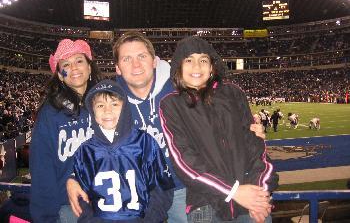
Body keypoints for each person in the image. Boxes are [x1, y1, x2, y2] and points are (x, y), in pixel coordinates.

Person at [67, 32, 266, 222]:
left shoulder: (181, 87)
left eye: (142, 56)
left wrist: (248, 131)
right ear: (117, 67)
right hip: (138, 193)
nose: (136, 64)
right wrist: (74, 176)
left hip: (187, 188)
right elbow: (93, 139)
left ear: (154, 61)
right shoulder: (111, 97)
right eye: (127, 59)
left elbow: (218, 115)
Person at [159, 36, 278, 222]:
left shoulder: (233, 93)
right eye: (189, 60)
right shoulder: (171, 105)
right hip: (207, 201)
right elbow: (185, 162)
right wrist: (233, 191)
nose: (197, 67)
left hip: (250, 198)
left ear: (212, 67)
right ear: (178, 67)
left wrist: (260, 195)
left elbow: (255, 146)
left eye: (203, 60)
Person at [73, 79, 174, 222]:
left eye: (114, 104)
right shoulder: (85, 152)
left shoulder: (144, 142)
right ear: (92, 111)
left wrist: (150, 219)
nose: (107, 110)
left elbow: (163, 187)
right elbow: (82, 197)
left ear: (125, 107)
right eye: (100, 105)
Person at [29, 39, 102, 222]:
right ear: (60, 75)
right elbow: (42, 169)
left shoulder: (106, 104)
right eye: (66, 64)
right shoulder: (49, 113)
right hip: (70, 209)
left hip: (109, 203)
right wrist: (45, 217)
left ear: (90, 67)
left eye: (79, 60)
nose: (74, 68)